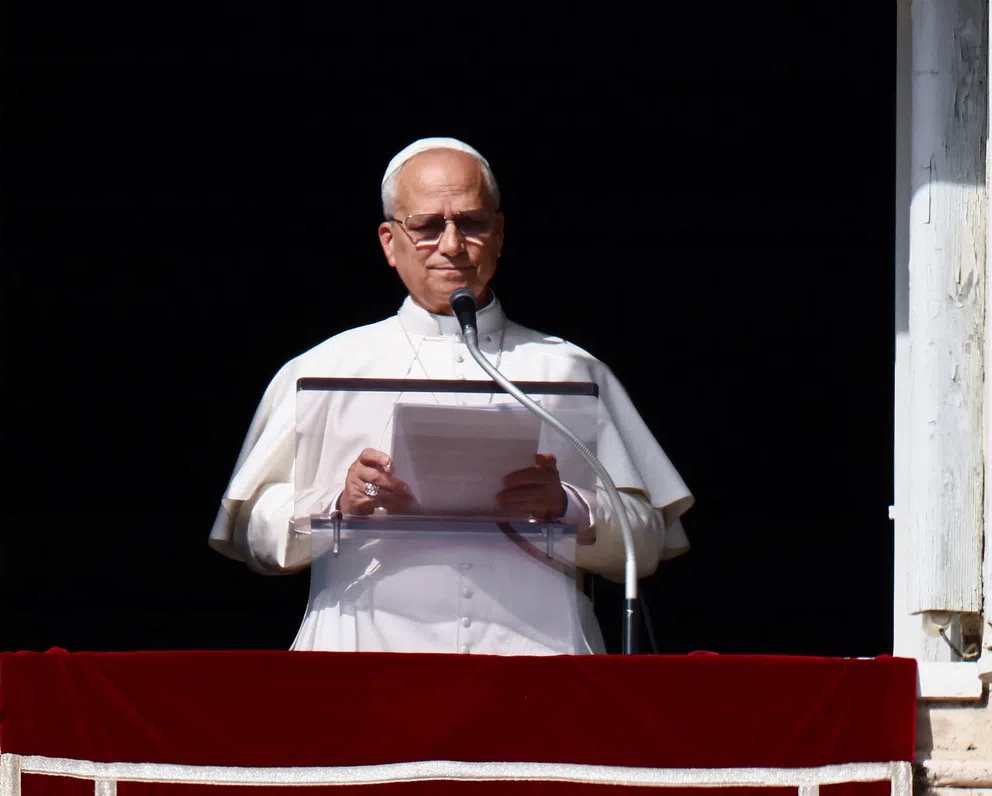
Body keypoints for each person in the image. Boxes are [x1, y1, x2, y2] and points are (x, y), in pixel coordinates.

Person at [210, 138, 692, 654]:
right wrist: (337, 503)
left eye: (472, 223)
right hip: (364, 661)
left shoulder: (570, 369)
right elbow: (251, 534)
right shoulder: (324, 369)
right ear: (388, 242)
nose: (453, 244)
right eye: (425, 227)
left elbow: (646, 542)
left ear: (500, 234)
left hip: (539, 665)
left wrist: (568, 505)